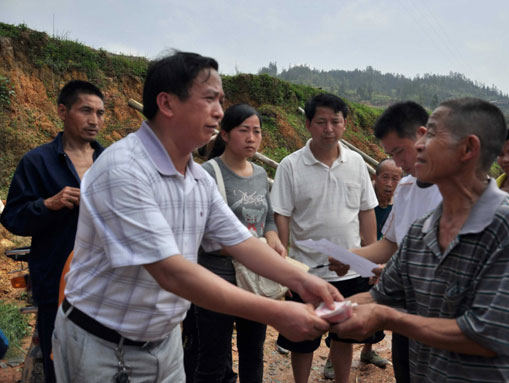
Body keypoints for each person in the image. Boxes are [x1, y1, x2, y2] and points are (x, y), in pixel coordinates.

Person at [52, 51, 342, 382]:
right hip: (101, 347)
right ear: (167, 104)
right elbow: (172, 273)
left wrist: (302, 281)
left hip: (164, 343)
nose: (220, 111)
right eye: (209, 99)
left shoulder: (198, 179)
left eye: (220, 100)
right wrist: (276, 312)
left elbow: (243, 241)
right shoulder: (125, 170)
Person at [331, 98, 509, 382]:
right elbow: (379, 295)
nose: (420, 144)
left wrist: (388, 317)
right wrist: (327, 310)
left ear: (468, 148)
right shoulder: (422, 229)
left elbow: (488, 335)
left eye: (432, 134)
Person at [270, 93, 382, 383]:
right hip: (307, 272)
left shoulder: (356, 163)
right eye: (321, 122)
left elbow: (366, 212)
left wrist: (368, 260)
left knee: (344, 337)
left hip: (349, 268)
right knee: (302, 338)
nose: (329, 128)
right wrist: (286, 267)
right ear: (308, 124)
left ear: (345, 124)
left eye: (336, 121)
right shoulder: (290, 165)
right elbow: (281, 215)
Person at [0, 80, 105, 382]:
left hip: (107, 284)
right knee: (59, 365)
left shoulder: (112, 162)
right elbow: (13, 218)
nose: (94, 120)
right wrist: (48, 204)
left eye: (100, 113)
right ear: (62, 110)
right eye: (86, 110)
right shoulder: (37, 162)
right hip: (56, 284)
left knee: (105, 365)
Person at [330, 101, 442, 382]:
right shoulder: (406, 190)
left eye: (400, 151)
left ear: (422, 134)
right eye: (391, 154)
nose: (399, 163)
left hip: (442, 317)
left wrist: (392, 277)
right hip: (406, 310)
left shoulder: (455, 190)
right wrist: (351, 255)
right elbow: (390, 243)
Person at [181, 103, 286, 383]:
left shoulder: (261, 175)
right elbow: (201, 232)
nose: (252, 138)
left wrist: (273, 240)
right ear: (225, 135)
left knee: (253, 354)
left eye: (257, 132)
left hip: (254, 278)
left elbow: (269, 220)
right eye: (244, 131)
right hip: (217, 279)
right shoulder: (207, 174)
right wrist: (255, 248)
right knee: (212, 359)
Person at [372, 159, 402, 240]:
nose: (389, 184)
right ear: (375, 177)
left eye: (395, 179)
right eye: (385, 177)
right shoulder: (362, 197)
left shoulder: (399, 204)